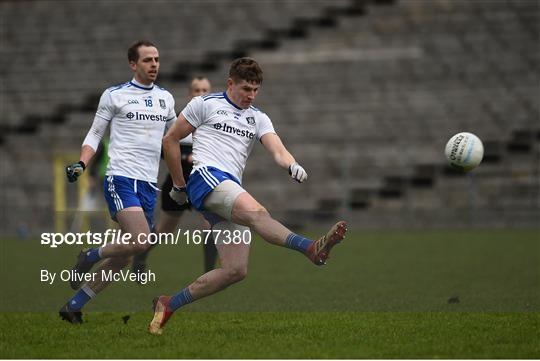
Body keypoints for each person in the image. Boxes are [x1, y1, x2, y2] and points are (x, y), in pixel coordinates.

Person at [149, 57, 347, 335]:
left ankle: (168, 303)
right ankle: (311, 248)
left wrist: (292, 164)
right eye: (245, 89)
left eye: (255, 90)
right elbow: (170, 140)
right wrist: (179, 187)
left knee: (235, 270)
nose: (250, 95)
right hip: (206, 179)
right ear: (230, 83)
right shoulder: (205, 104)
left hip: (228, 189)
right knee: (258, 213)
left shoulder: (258, 117)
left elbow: (277, 149)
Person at [60, 40, 177, 324]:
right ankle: (89, 255)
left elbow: (176, 136)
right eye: (148, 60)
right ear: (133, 64)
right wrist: (82, 163)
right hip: (121, 177)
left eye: (157, 59)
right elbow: (95, 133)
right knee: (141, 240)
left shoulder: (166, 99)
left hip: (149, 184)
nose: (154, 65)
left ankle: (73, 306)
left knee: (124, 256)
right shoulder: (115, 95)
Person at [131, 76, 218, 276]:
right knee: (164, 230)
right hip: (177, 184)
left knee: (209, 225)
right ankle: (141, 255)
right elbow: (162, 149)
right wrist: (187, 156)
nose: (201, 94)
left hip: (203, 183)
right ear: (189, 95)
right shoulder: (178, 122)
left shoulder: (215, 124)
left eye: (205, 90)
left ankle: (209, 275)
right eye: (197, 90)